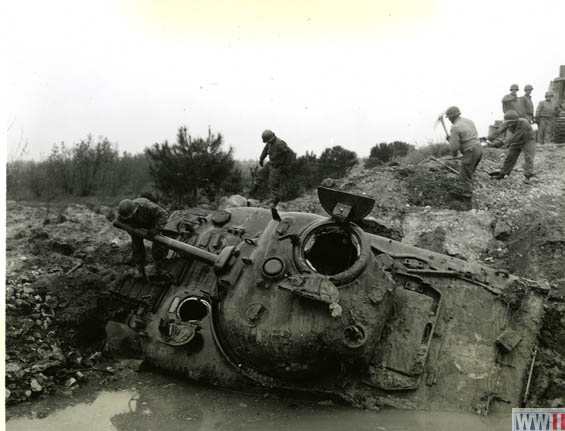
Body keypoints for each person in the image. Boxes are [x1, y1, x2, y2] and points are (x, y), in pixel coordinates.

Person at [117, 197, 170, 279]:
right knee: (137, 247)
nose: (130, 218)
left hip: (153, 224)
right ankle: (140, 271)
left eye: (132, 216)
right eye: (128, 218)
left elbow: (163, 214)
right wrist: (130, 229)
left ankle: (158, 268)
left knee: (158, 246)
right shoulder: (123, 214)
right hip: (136, 227)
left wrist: (156, 228)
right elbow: (119, 222)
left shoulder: (146, 206)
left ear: (135, 210)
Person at [444, 106, 483, 200]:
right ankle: (466, 190)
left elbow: (455, 147)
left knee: (464, 175)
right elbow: (467, 137)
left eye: (449, 118)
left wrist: (454, 155)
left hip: (470, 151)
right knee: (467, 173)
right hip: (479, 150)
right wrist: (452, 139)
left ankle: (466, 197)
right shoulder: (469, 121)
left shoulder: (455, 127)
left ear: (452, 117)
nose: (449, 120)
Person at [487, 110, 536, 181]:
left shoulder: (524, 123)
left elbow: (516, 136)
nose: (509, 124)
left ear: (516, 120)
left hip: (528, 140)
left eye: (511, 122)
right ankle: (502, 174)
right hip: (518, 140)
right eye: (508, 122)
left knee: (528, 157)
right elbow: (499, 131)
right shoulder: (507, 123)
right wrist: (488, 138)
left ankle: (528, 176)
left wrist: (503, 143)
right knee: (510, 157)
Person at [259, 129, 295, 208]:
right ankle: (275, 199)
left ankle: (276, 201)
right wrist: (261, 159)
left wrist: (286, 166)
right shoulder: (269, 143)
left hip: (279, 166)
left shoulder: (279, 143)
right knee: (264, 178)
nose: (267, 142)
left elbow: (291, 153)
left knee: (274, 184)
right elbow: (265, 151)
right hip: (272, 165)